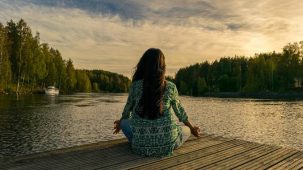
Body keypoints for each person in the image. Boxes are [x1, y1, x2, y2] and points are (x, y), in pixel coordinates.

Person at [113, 48, 201, 157]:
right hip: (167, 145)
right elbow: (180, 113)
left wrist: (120, 123)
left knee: (124, 122)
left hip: (140, 148)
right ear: (163, 67)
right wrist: (192, 129)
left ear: (144, 65)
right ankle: (179, 132)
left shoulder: (135, 86)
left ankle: (141, 139)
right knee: (186, 129)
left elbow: (127, 111)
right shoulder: (170, 87)